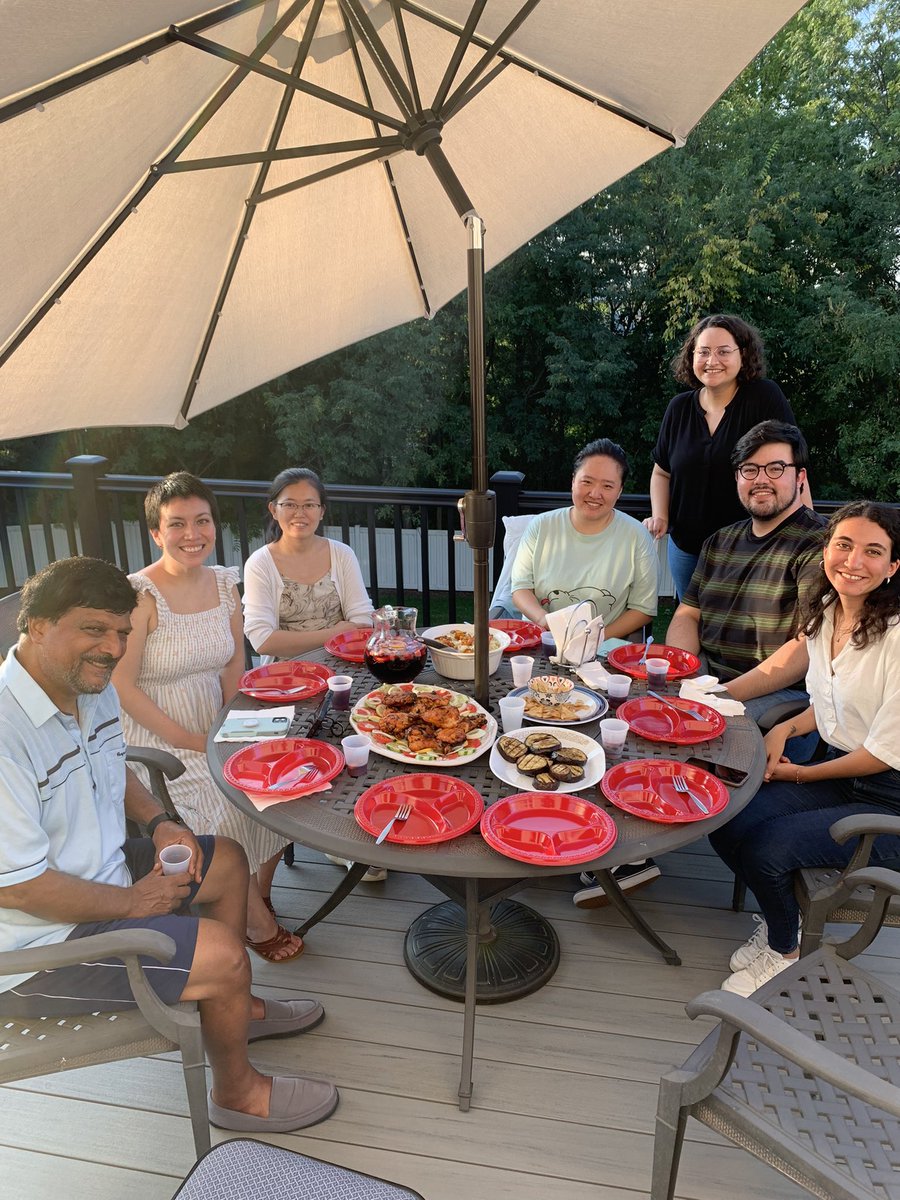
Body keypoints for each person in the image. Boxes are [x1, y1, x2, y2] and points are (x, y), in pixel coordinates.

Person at [0, 557, 338, 1132]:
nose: (111, 647)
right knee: (223, 953)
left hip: (102, 873)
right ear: (36, 624)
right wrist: (136, 903)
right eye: (94, 628)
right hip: (37, 950)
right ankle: (236, 1092)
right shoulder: (7, 734)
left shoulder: (86, 684)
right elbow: (20, 889)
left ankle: (235, 1008)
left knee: (225, 860)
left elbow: (115, 764)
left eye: (121, 633)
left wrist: (159, 822)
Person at [710, 502, 900, 996]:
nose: (854, 561)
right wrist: (784, 731)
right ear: (825, 549)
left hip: (889, 796)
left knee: (769, 847)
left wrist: (796, 774)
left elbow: (881, 752)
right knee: (727, 814)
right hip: (838, 771)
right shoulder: (828, 612)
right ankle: (783, 922)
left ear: (893, 567)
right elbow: (830, 700)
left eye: (873, 551)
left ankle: (784, 954)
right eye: (844, 544)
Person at [113, 473, 302, 963]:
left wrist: (234, 720)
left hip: (218, 720)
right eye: (177, 524)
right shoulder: (139, 596)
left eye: (202, 521)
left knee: (281, 781)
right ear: (156, 533)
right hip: (160, 738)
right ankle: (255, 925)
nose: (192, 534)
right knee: (222, 803)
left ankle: (252, 893)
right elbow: (122, 687)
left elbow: (234, 662)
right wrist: (194, 740)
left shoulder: (224, 583)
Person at [665, 421, 826, 723]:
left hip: (779, 695)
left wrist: (721, 695)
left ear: (800, 477)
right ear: (737, 477)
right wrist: (681, 672)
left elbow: (808, 646)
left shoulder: (820, 544)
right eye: (749, 469)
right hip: (705, 677)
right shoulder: (719, 541)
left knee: (697, 732)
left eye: (776, 468)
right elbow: (688, 614)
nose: (761, 479)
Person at [645, 314, 798, 599]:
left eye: (723, 351)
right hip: (687, 548)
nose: (712, 360)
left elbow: (792, 469)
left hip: (752, 549)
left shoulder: (765, 398)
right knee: (690, 622)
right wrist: (660, 516)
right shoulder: (678, 408)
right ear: (692, 357)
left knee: (744, 630)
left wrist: (805, 531)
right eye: (703, 352)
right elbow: (661, 471)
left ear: (744, 354)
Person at [510, 438, 658, 641]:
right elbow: (520, 587)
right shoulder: (541, 526)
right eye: (587, 482)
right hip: (542, 641)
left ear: (620, 490)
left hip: (602, 648)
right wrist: (545, 621)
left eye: (607, 486)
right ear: (573, 481)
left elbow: (643, 608)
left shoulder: (636, 537)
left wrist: (596, 637)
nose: (595, 493)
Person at [243, 467, 373, 658]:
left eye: (309, 505)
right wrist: (334, 634)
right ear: (273, 510)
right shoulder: (260, 563)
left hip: (343, 664)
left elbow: (363, 619)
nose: (300, 513)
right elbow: (262, 640)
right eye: (289, 505)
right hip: (286, 677)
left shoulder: (342, 554)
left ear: (321, 511)